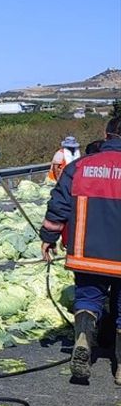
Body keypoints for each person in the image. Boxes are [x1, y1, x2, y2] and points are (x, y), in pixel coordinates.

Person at [41, 115, 121, 384]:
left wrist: (48, 237)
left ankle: (84, 340)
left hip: (86, 253)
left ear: (106, 134)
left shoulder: (80, 167)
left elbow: (59, 205)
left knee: (88, 298)